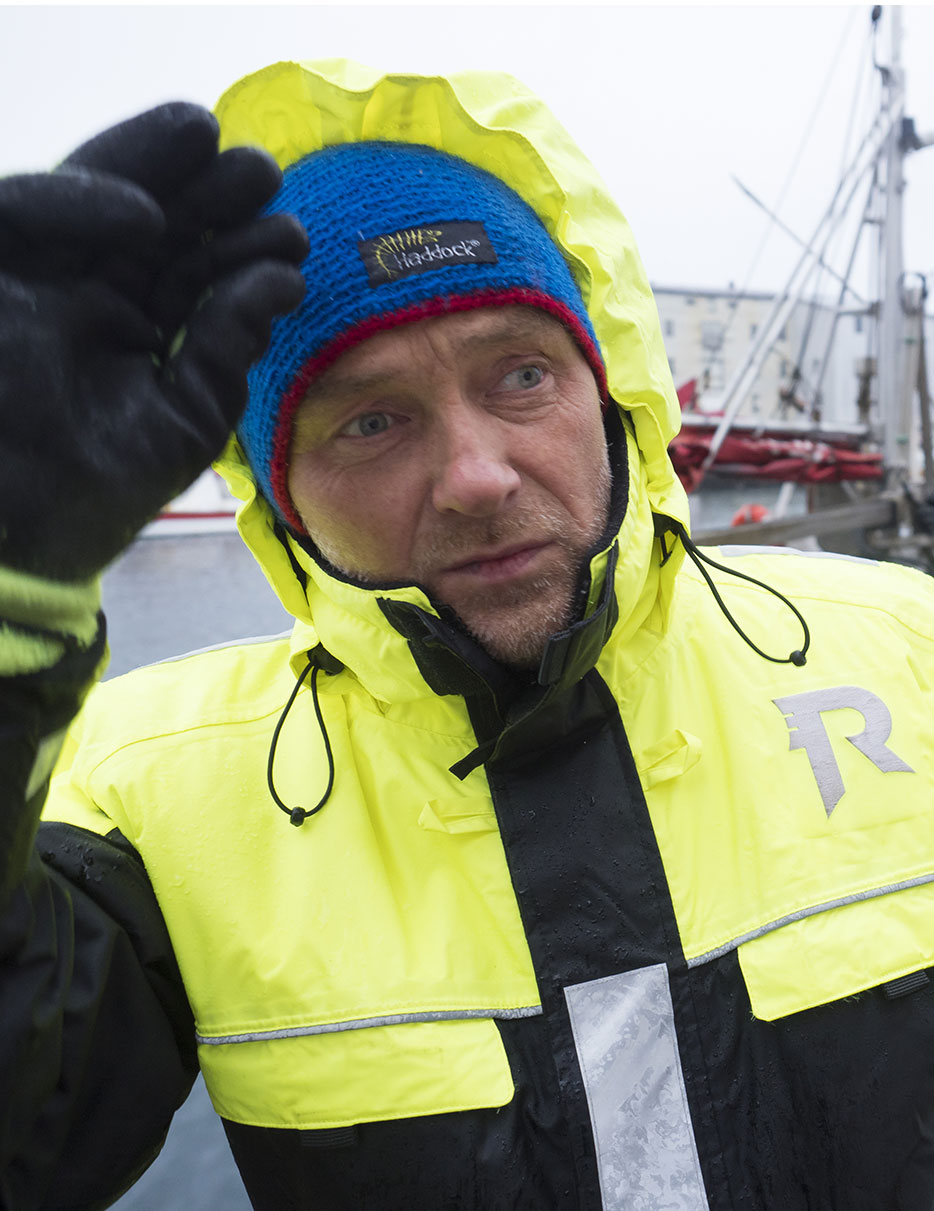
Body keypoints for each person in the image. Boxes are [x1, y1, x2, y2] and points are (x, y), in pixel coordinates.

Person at [2, 58, 934, 1211]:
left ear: (610, 390)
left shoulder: (909, 654)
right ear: (280, 493)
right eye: (372, 419)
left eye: (523, 373)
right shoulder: (150, 796)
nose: (476, 476)